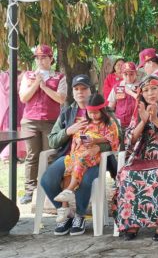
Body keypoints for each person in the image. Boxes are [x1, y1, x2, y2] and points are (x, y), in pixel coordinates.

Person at [40, 74, 120, 236]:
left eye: (84, 88)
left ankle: (80, 216)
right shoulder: (67, 113)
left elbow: (119, 137)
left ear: (91, 91)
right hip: (69, 156)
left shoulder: (105, 111)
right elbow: (53, 141)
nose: (80, 92)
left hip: (94, 159)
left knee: (85, 179)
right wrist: (69, 130)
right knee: (47, 180)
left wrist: (99, 146)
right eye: (76, 89)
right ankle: (66, 214)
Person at [112, 75, 158, 241]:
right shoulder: (139, 110)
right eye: (146, 90)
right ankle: (132, 221)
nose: (150, 93)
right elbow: (130, 139)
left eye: (154, 89)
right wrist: (143, 121)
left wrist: (155, 119)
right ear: (141, 94)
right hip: (142, 155)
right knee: (126, 175)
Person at [19, 44, 67, 204]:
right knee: (32, 156)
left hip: (50, 121)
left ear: (51, 59)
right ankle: (29, 190)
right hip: (30, 121)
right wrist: (36, 83)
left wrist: (44, 87)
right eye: (38, 57)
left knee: (49, 155)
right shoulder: (29, 75)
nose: (40, 60)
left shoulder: (59, 77)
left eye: (44, 57)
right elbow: (24, 98)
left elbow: (61, 98)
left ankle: (48, 189)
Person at [54, 93, 119, 205]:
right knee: (69, 166)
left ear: (102, 111)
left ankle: (69, 190)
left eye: (96, 113)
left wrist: (95, 141)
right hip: (80, 150)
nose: (93, 116)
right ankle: (64, 208)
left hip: (95, 154)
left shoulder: (109, 123)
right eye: (90, 113)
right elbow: (78, 134)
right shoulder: (85, 121)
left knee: (82, 159)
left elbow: (113, 139)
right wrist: (80, 139)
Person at [108, 62, 140, 133]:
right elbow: (110, 107)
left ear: (136, 73)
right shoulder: (117, 87)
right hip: (120, 124)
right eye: (125, 74)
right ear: (122, 74)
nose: (128, 77)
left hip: (137, 124)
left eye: (131, 74)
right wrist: (113, 121)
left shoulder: (141, 86)